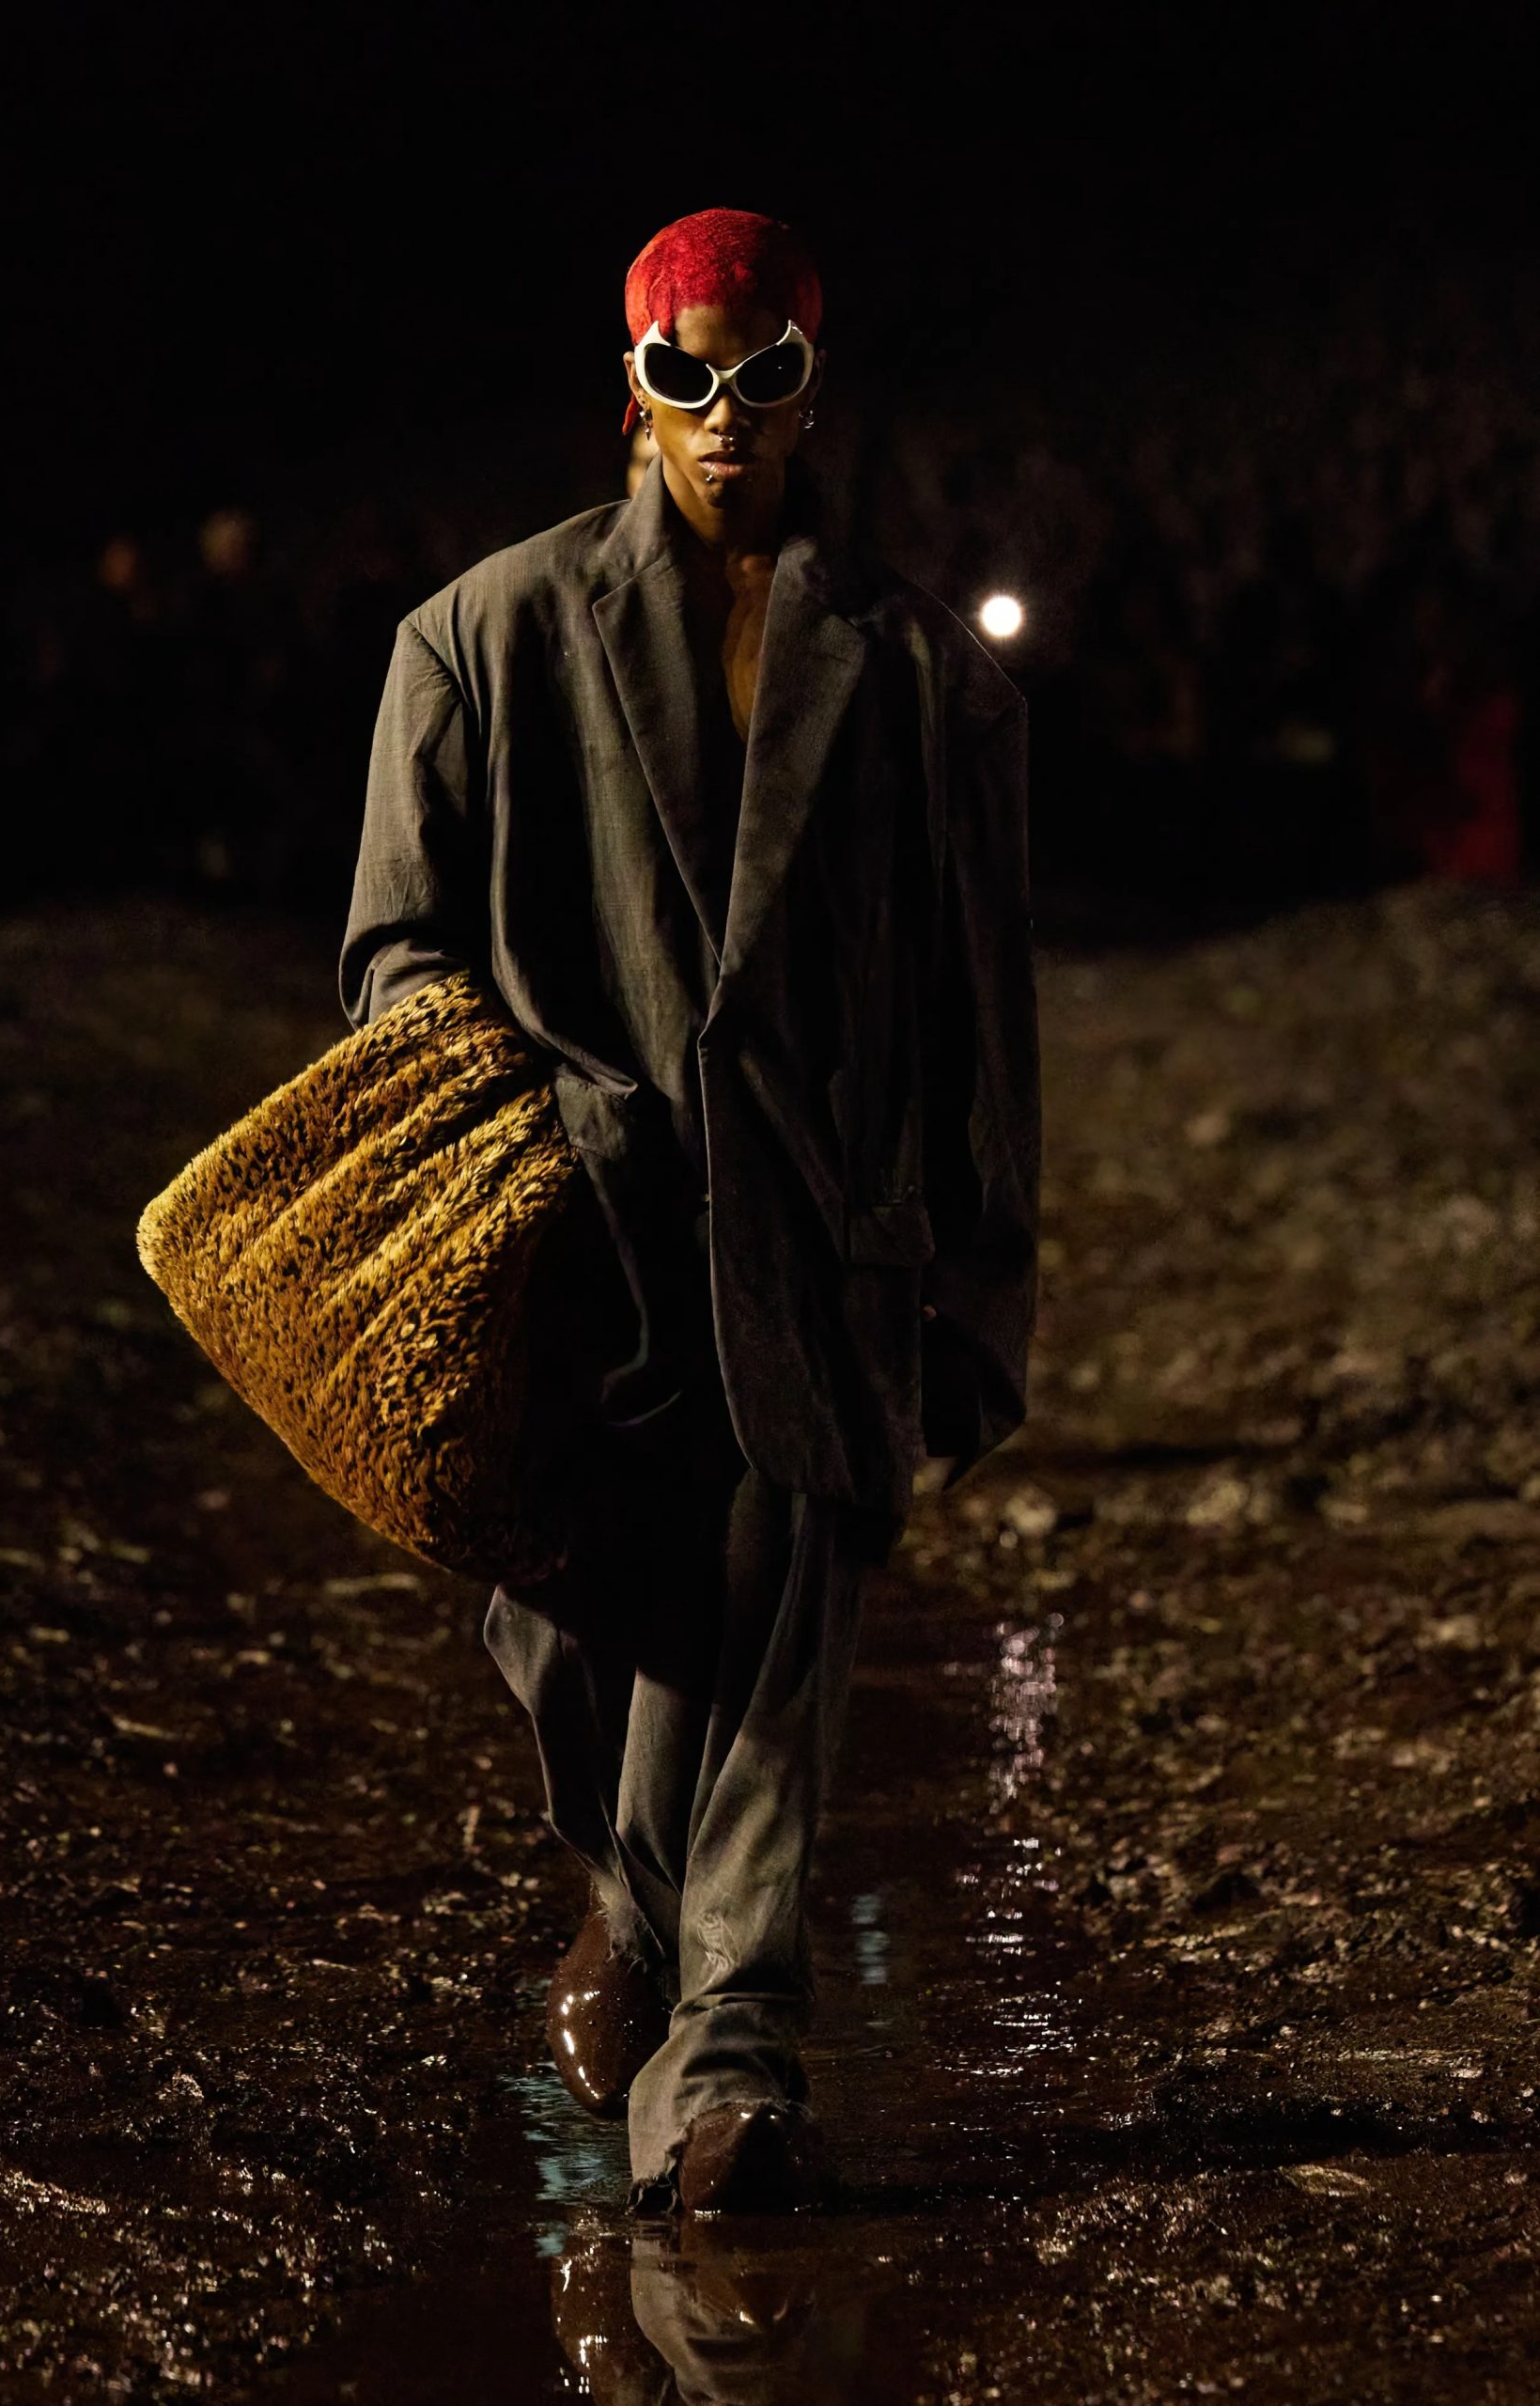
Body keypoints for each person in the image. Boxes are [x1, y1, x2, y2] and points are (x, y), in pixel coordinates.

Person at [338, 207, 1040, 2217]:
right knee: (601, 1624)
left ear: (813, 389)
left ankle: (730, 2058)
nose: (725, 415)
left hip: (833, 1236)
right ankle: (628, 1910)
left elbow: (983, 996)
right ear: (630, 387)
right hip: (581, 1244)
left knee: (771, 1642)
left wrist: (977, 1277)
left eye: (763, 375)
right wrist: (516, 1123)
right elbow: (393, 946)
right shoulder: (480, 638)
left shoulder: (911, 672)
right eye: (685, 375)